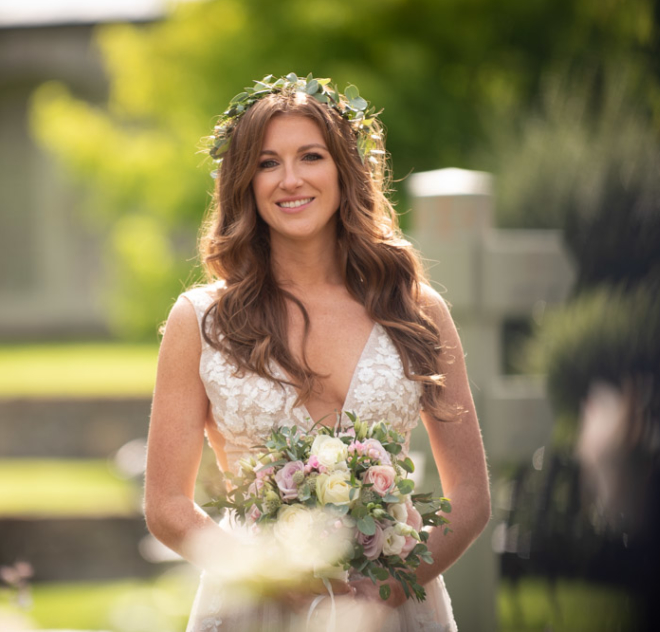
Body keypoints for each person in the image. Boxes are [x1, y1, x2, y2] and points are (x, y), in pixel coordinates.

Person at [144, 74, 490, 631]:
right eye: (267, 162)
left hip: (395, 607)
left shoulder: (416, 309)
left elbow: (471, 496)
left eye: (310, 156)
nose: (291, 179)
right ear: (245, 182)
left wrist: (390, 589)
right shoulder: (201, 321)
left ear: (344, 171)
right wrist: (266, 574)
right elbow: (166, 506)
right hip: (253, 607)